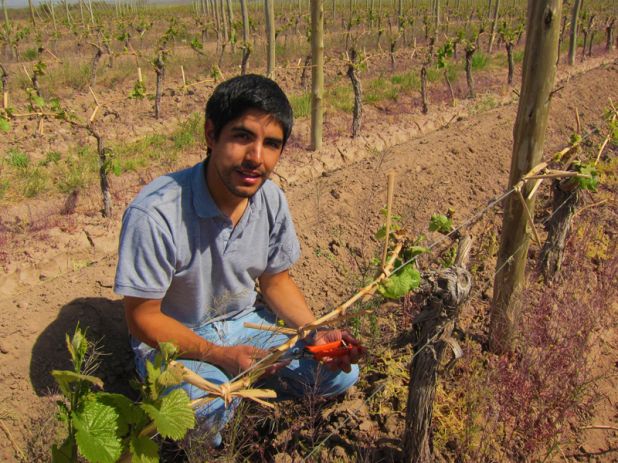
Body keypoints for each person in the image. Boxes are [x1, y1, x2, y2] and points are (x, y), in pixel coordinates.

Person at [114, 74, 361, 446]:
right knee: (203, 416)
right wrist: (219, 355)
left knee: (341, 372)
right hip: (178, 338)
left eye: (271, 144)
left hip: (247, 325)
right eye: (242, 136)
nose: (255, 158)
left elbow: (275, 281)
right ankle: (231, 397)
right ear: (211, 135)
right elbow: (142, 317)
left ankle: (247, 386)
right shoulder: (156, 214)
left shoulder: (270, 200)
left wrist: (313, 331)